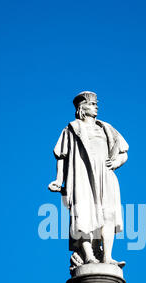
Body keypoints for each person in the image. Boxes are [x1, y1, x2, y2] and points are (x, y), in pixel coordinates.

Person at [48, 91, 128, 269]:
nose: (96, 106)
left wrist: (115, 162)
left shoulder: (106, 128)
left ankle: (107, 257)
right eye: (91, 104)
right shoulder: (72, 129)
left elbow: (123, 153)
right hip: (82, 177)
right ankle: (89, 256)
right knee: (84, 215)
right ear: (81, 108)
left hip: (105, 175)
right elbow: (62, 155)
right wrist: (58, 179)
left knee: (108, 215)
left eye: (96, 104)